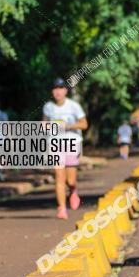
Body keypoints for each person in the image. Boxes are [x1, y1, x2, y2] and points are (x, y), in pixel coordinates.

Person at [42, 79, 88, 219]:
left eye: (60, 88)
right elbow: (44, 125)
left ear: (65, 91)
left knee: (70, 180)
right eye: (55, 88)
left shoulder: (73, 106)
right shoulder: (48, 107)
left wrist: (67, 126)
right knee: (59, 177)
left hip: (72, 142)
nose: (58, 91)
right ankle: (61, 208)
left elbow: (84, 124)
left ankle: (73, 190)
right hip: (55, 143)